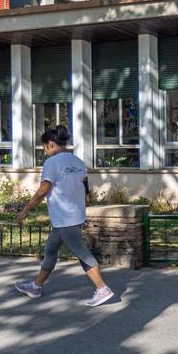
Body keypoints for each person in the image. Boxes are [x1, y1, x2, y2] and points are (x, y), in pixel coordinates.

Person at [14, 125, 114, 307]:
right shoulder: (78, 161)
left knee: (83, 254)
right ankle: (35, 286)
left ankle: (102, 289)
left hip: (65, 218)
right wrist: (83, 211)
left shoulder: (52, 163)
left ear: (50, 144)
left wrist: (25, 211)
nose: (45, 151)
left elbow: (42, 191)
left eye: (44, 147)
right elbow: (85, 190)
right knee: (51, 250)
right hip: (72, 216)